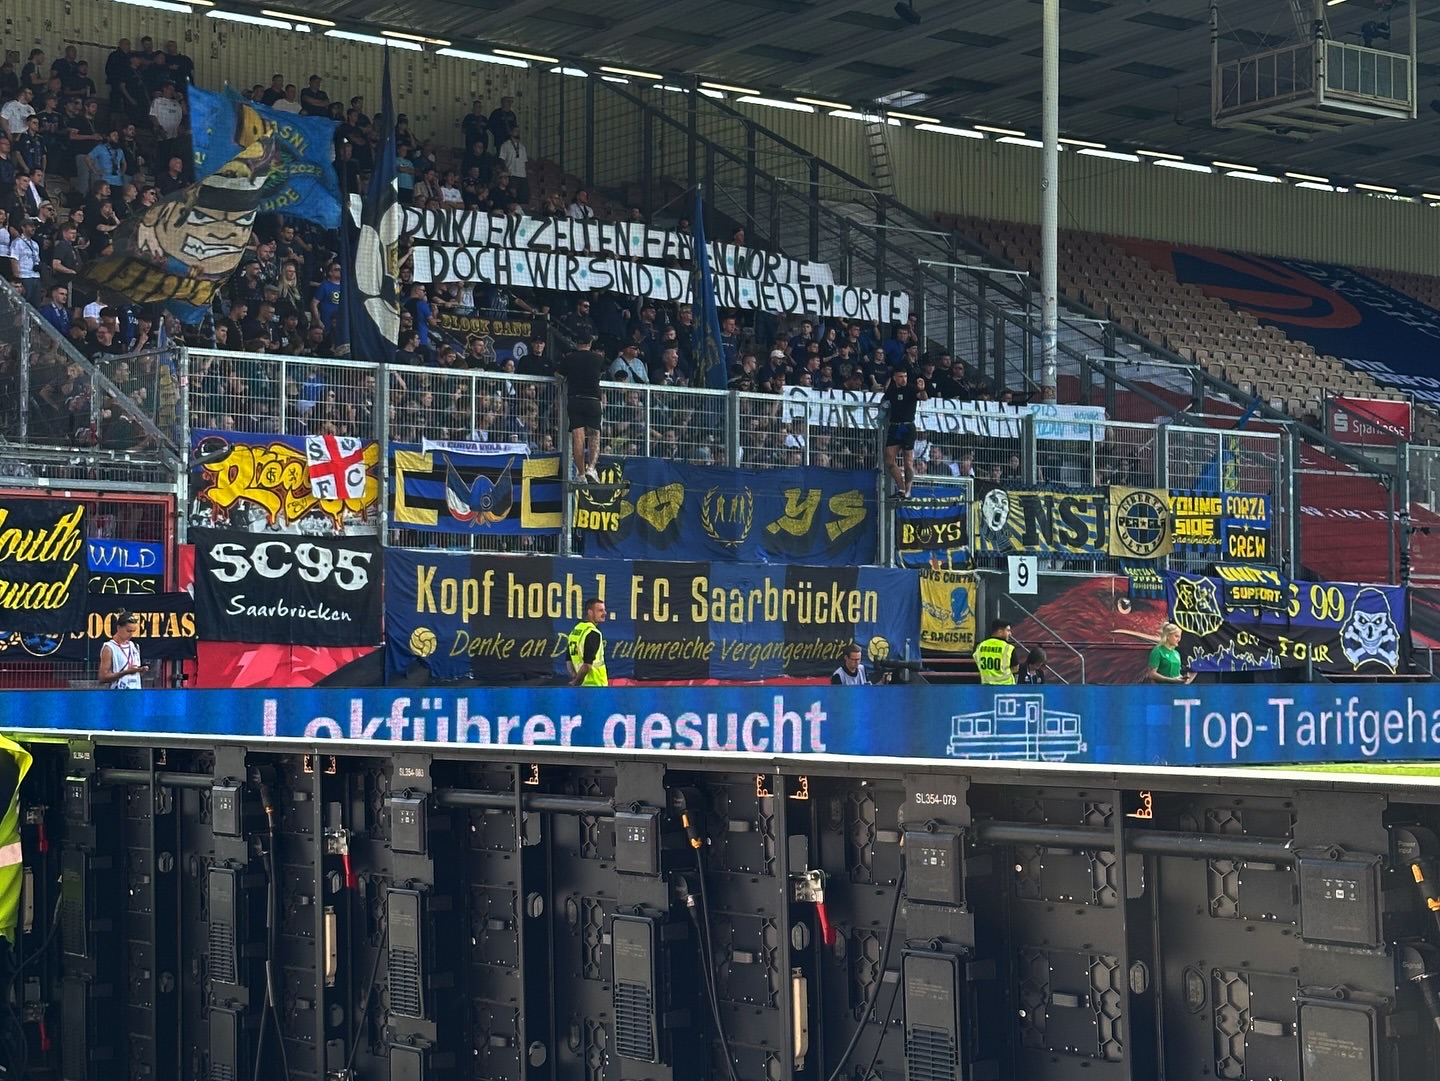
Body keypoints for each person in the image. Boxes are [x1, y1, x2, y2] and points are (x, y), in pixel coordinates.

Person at [559, 333, 606, 483]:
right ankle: (591, 468)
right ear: (590, 342)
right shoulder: (597, 359)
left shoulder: (570, 358)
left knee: (578, 437)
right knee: (594, 435)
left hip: (575, 400)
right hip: (592, 400)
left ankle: (580, 473)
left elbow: (558, 374)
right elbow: (602, 373)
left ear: (576, 343)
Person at [882, 364, 927, 499]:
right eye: (901, 377)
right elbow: (885, 399)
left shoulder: (911, 389)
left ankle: (908, 491)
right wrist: (883, 405)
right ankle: (901, 488)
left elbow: (923, 397)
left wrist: (923, 389)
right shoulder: (892, 390)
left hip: (907, 427)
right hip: (895, 426)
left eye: (905, 376)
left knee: (908, 461)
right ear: (895, 378)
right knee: (889, 460)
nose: (903, 379)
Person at [98, 610, 148, 689]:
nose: (131, 634)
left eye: (133, 631)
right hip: (118, 693)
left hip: (135, 691)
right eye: (128, 631)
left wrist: (140, 670)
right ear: (119, 628)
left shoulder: (135, 646)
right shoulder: (109, 648)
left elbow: (136, 675)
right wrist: (125, 672)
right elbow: (103, 677)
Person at [566, 598, 608, 687]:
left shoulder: (576, 630)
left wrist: (574, 677)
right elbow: (587, 665)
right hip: (596, 685)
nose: (605, 613)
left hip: (582, 686)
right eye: (600, 610)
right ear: (590, 612)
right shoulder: (593, 633)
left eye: (604, 610)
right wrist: (576, 682)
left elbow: (569, 660)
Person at [974, 618, 1019, 685]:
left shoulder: (980, 646)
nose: (1010, 634)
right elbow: (1015, 668)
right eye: (1008, 630)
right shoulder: (1008, 648)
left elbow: (977, 661)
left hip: (987, 687)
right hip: (1006, 687)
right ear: (1000, 631)